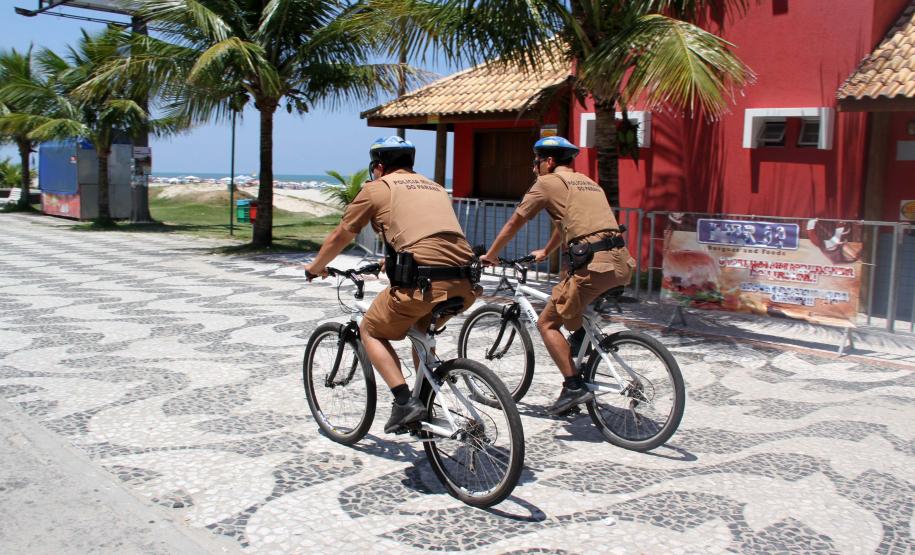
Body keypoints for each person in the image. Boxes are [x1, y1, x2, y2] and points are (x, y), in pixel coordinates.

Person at [305, 136, 479, 433]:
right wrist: (394, 259)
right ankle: (425, 401)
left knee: (369, 329)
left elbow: (341, 234)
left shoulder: (377, 188)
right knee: (421, 331)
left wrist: (315, 267)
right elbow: (427, 235)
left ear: (379, 167)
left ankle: (404, 402)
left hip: (423, 284)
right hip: (466, 283)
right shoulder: (435, 187)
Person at [480, 136, 635, 415]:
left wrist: (490, 254)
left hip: (593, 266)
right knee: (572, 305)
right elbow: (567, 223)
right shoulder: (589, 182)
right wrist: (548, 250)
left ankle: (574, 386)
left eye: (536, 162)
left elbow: (515, 221)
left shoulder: (547, 183)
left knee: (547, 323)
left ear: (549, 162)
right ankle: (578, 345)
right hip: (622, 263)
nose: (534, 167)